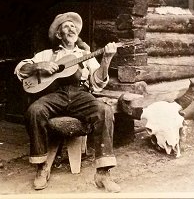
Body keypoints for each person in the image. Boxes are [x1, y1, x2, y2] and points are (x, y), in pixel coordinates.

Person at [14, 12, 120, 192]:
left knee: (104, 110)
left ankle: (103, 173)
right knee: (34, 110)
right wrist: (39, 66)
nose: (72, 29)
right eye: (66, 26)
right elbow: (20, 70)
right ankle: (42, 167)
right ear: (58, 34)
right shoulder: (46, 54)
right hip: (55, 95)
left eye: (74, 26)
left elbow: (97, 83)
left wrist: (107, 60)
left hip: (81, 94)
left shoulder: (86, 54)